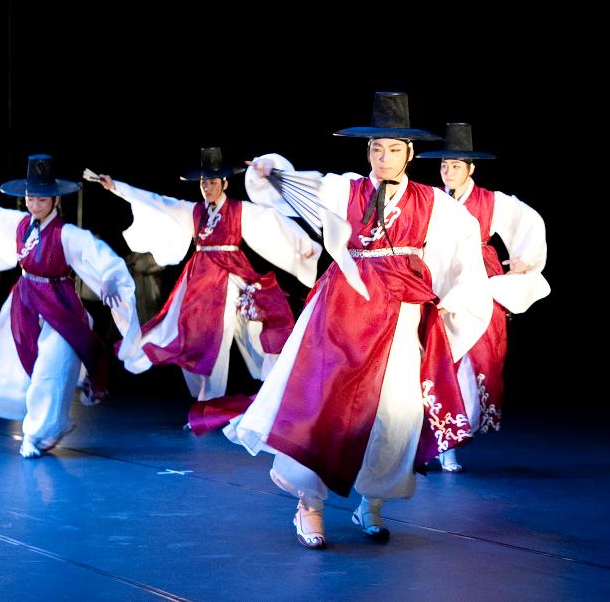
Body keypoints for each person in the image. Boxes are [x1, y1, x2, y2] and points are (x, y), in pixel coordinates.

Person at [225, 92, 492, 550]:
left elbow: (469, 254)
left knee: (395, 412)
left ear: (409, 152)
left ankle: (371, 503)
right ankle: (308, 503)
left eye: (393, 148)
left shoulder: (434, 203)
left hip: (401, 314)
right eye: (376, 148)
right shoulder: (345, 188)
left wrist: (457, 297)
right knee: (323, 402)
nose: (383, 157)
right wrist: (271, 172)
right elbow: (297, 188)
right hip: (345, 306)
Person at [0, 154, 140, 457]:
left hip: (61, 309)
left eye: (42, 199)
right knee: (6, 364)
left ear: (55, 200)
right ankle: (51, 419)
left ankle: (39, 433)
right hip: (25, 305)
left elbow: (100, 256)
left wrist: (110, 279)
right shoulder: (20, 226)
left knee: (51, 367)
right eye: (31, 198)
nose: (35, 204)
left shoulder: (67, 234)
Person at [92, 147, 320, 402]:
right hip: (200, 281)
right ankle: (206, 396)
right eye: (203, 182)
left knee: (242, 333)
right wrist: (117, 188)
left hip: (232, 276)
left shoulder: (240, 209)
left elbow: (271, 223)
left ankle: (269, 391)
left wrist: (303, 245)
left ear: (224, 183)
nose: (207, 187)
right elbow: (157, 201)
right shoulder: (194, 212)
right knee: (194, 336)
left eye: (212, 182)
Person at [417, 122, 550, 472]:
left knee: (476, 359)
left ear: (471, 169)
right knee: (434, 360)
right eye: (445, 165)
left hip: (478, 280)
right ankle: (433, 440)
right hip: (438, 280)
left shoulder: (492, 202)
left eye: (457, 166)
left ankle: (453, 442)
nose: (449, 171)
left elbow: (529, 223)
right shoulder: (430, 198)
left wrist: (527, 260)